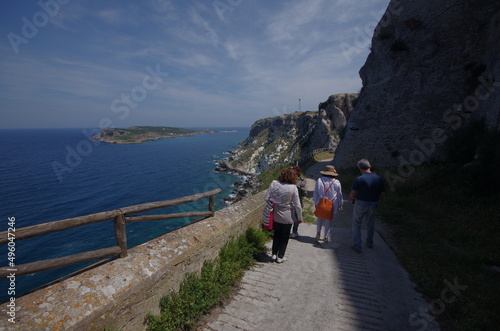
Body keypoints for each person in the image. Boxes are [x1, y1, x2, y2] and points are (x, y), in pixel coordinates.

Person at [264, 167, 303, 263]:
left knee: (276, 234)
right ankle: (280, 256)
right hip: (287, 215)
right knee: (284, 236)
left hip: (276, 214)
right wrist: (299, 217)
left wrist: (275, 202)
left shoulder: (274, 183)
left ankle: (273, 254)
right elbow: (297, 205)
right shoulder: (293, 188)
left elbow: (266, 198)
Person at [349, 159, 386, 253]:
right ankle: (369, 243)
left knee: (357, 223)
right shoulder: (379, 178)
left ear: (360, 169)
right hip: (373, 203)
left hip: (361, 203)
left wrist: (352, 198)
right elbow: (383, 193)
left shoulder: (359, 179)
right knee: (370, 224)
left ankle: (357, 245)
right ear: (370, 167)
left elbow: (353, 193)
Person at [313, 165, 343, 243]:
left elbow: (315, 193)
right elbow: (339, 194)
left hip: (321, 202)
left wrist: (316, 203)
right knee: (328, 220)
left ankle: (318, 232)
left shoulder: (319, 180)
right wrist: (340, 204)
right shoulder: (336, 182)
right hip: (332, 203)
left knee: (320, 218)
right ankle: (326, 236)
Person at [290, 166, 306, 239]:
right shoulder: (302, 181)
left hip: (289, 202)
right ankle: (294, 232)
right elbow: (304, 193)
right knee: (296, 218)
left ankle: (288, 231)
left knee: (289, 217)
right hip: (298, 201)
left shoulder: (288, 180)